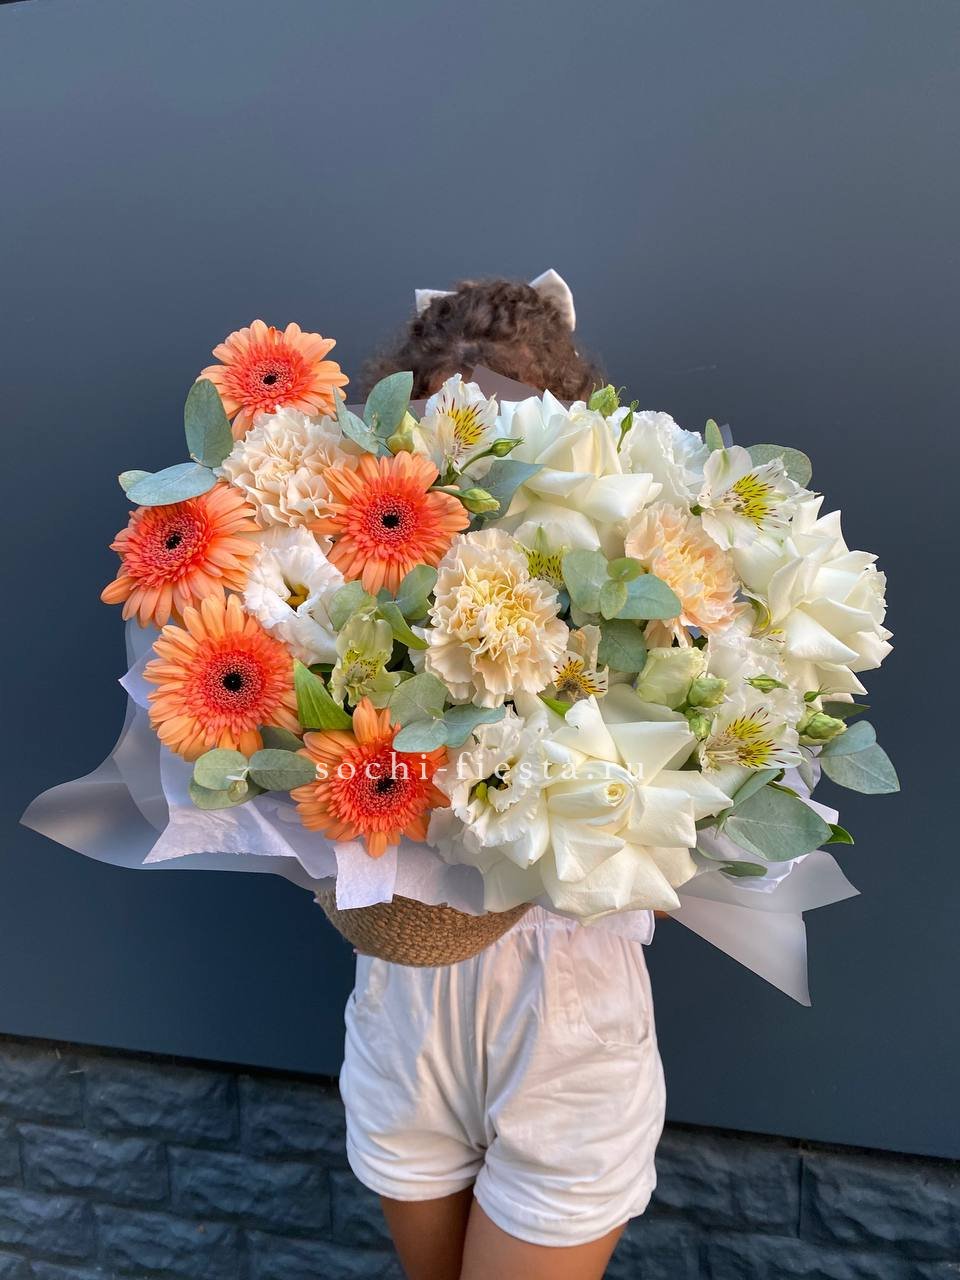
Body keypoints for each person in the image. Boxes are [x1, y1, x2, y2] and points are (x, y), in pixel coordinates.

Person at [339, 276, 667, 1280]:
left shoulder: (636, 571)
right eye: (446, 423)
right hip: (406, 1003)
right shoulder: (357, 573)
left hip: (566, 1015)